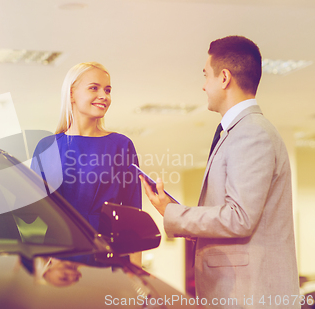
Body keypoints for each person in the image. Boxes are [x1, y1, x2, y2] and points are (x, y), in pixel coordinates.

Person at [140, 36, 299, 308]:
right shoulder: (240, 132)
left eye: (206, 75)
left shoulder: (251, 133)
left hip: (249, 297)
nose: (204, 86)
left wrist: (172, 212)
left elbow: (240, 217)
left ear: (224, 78)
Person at [31, 62, 142, 264]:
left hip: (108, 257)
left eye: (107, 90)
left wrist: (136, 275)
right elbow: (35, 218)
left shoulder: (121, 145)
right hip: (58, 260)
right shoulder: (47, 147)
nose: (104, 96)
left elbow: (133, 218)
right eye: (94, 88)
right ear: (71, 94)